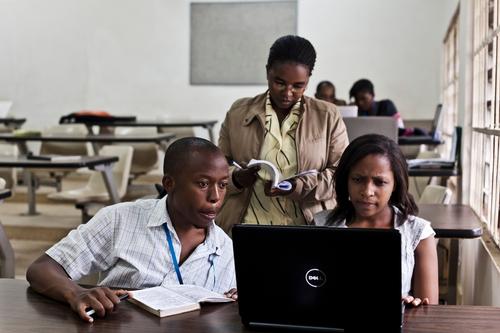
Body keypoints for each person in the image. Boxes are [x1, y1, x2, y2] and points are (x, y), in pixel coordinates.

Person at [26, 137, 237, 323]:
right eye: (202, 184)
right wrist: (76, 293)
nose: (215, 197)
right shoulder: (120, 220)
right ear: (169, 183)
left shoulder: (227, 250)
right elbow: (41, 269)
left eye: (223, 185)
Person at [217, 35, 349, 233]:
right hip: (247, 226)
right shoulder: (238, 112)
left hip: (309, 227)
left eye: (298, 86)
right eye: (279, 82)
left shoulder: (328, 116)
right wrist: (236, 178)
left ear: (308, 79)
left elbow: (342, 175)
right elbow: (217, 168)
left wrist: (298, 186)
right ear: (267, 72)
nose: (287, 93)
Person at [325, 134, 439, 306]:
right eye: (357, 179)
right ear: (346, 180)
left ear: (395, 185)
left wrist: (411, 307)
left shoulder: (418, 233)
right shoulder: (321, 226)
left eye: (380, 182)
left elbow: (428, 312)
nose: (367, 191)